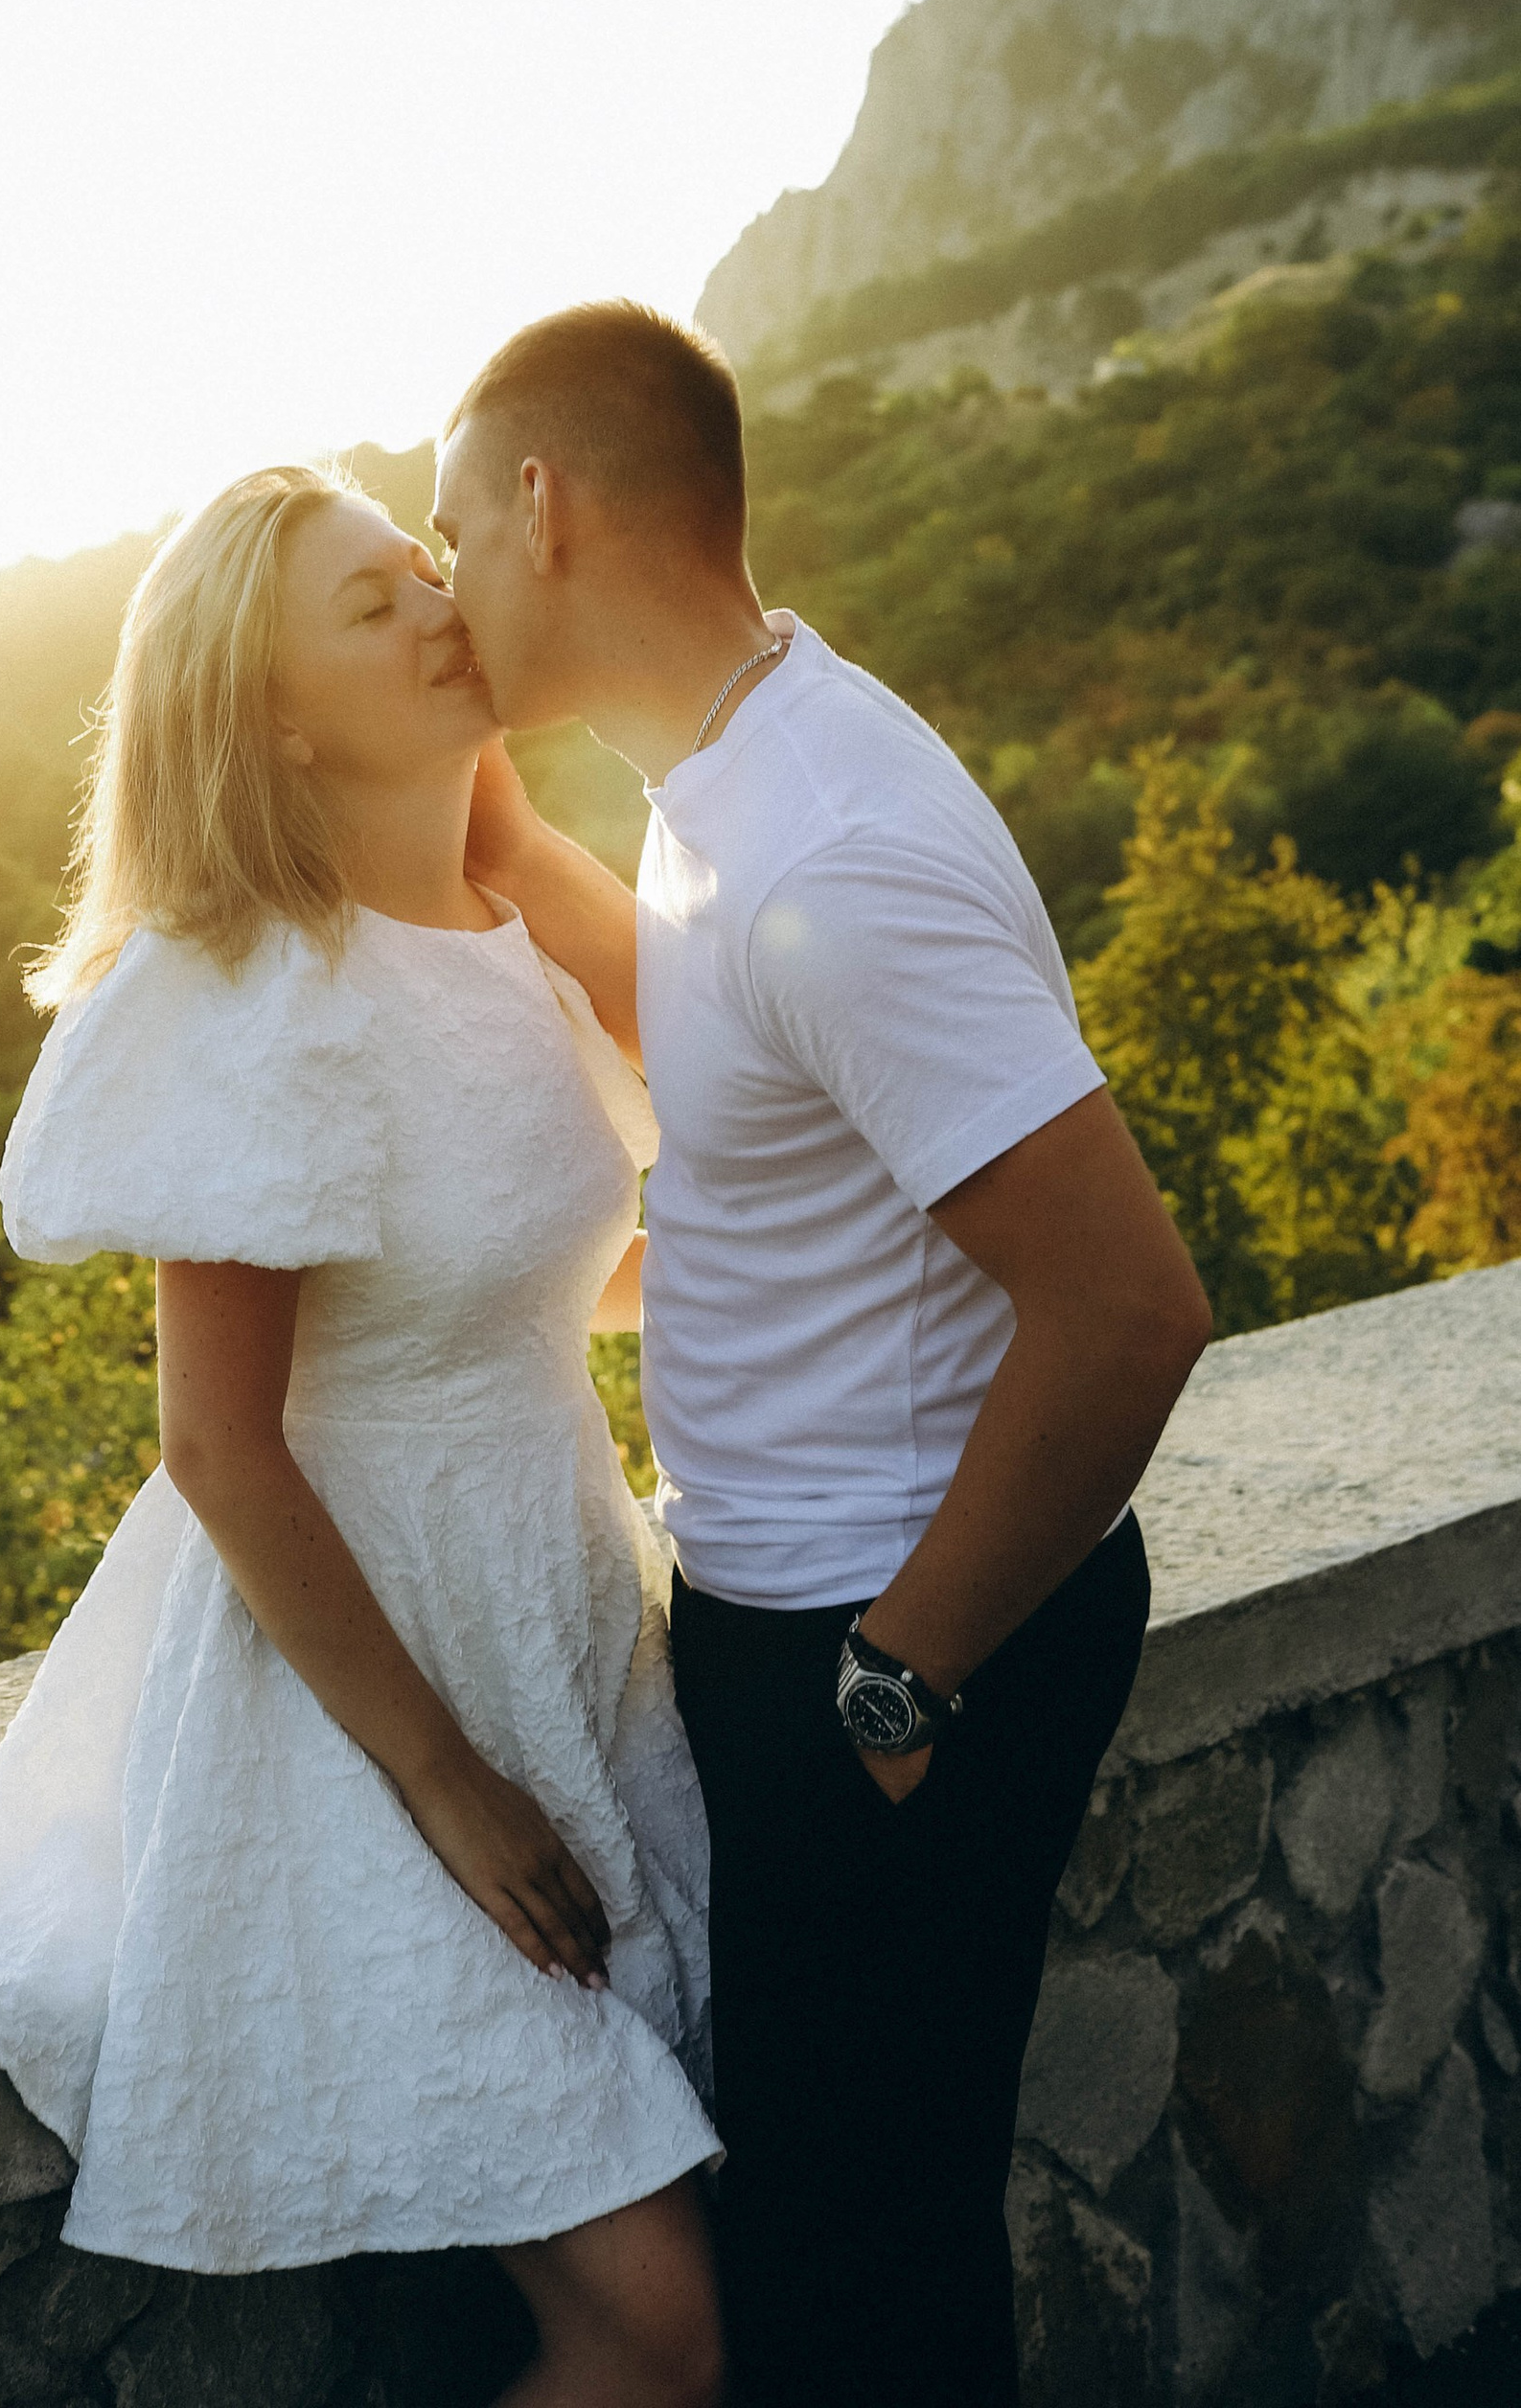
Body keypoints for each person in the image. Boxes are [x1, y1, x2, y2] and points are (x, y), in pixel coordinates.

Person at [0, 465, 725, 2408]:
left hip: (548, 1615)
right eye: (365, 602)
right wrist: (445, 1784)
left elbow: (535, 1274)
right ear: (272, 709)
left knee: (652, 2270)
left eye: (420, 563)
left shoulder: (492, 933)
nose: (430, 598)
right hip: (350, 1709)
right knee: (656, 2326)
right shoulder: (257, 990)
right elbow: (216, 1443)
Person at [433, 302, 1211, 2408]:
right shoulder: (729, 781)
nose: (439, 585)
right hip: (822, 1619)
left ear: (544, 501)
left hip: (894, 1635)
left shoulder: (831, 847)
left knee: (853, 2266)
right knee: (850, 2228)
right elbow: (722, 1033)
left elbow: (1129, 1309)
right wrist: (500, 848)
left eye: (449, 528)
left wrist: (894, 1677)